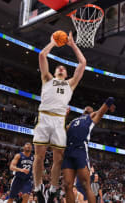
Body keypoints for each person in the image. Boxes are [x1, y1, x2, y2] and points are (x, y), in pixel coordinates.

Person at [32, 31, 87, 203]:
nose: (61, 68)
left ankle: (53, 189)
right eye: (59, 67)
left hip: (59, 121)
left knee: (58, 158)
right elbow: (42, 55)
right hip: (44, 118)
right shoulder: (47, 78)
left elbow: (83, 63)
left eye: (63, 68)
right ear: (55, 72)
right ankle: (38, 187)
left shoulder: (70, 83)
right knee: (39, 156)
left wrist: (72, 45)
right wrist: (52, 43)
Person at [62, 97, 115, 203]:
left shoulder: (91, 119)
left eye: (90, 109)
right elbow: (63, 131)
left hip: (80, 150)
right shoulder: (74, 121)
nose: (88, 108)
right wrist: (64, 117)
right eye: (86, 109)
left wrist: (109, 104)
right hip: (68, 151)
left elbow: (104, 106)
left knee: (86, 185)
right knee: (67, 186)